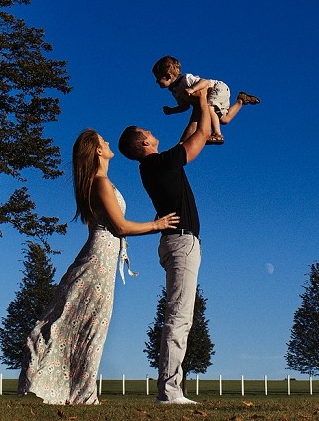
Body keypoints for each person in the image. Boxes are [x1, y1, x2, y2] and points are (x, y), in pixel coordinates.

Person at [20, 129, 180, 405]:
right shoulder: (100, 182)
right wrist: (158, 225)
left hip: (104, 262)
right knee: (88, 325)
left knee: (90, 326)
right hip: (97, 262)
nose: (107, 142)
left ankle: (78, 392)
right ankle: (81, 394)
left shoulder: (101, 182)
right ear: (96, 150)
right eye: (102, 141)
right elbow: (120, 227)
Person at [118, 88, 214, 405]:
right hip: (180, 243)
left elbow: (188, 135)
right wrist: (203, 101)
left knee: (179, 315)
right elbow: (200, 137)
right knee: (179, 317)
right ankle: (170, 392)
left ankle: (170, 389)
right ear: (144, 143)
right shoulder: (159, 164)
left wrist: (193, 108)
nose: (152, 132)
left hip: (178, 242)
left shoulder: (158, 164)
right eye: (147, 131)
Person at [151, 54, 259, 144]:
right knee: (224, 120)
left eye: (158, 78)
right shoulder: (175, 91)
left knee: (209, 107)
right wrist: (172, 110)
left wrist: (192, 89)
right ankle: (242, 100)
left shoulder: (186, 79)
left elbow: (205, 82)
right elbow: (185, 106)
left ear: (169, 76)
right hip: (211, 97)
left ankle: (217, 134)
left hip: (217, 87)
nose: (156, 82)